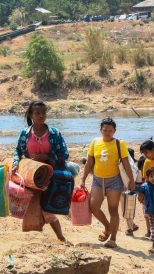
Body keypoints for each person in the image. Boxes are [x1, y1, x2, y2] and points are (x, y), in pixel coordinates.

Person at [12, 100, 69, 242]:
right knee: (31, 206)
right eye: (37, 113)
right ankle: (34, 240)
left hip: (49, 176)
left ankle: (60, 237)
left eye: (43, 113)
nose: (41, 116)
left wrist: (48, 157)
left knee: (47, 207)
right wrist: (15, 163)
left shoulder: (54, 133)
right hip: (31, 177)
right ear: (31, 114)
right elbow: (18, 151)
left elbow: (64, 153)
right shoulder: (25, 133)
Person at [81, 117, 135, 248]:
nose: (107, 132)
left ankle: (113, 239)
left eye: (110, 130)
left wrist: (131, 180)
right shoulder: (95, 142)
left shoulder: (119, 143)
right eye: (105, 130)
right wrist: (83, 179)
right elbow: (89, 162)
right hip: (98, 180)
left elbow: (126, 163)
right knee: (93, 207)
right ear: (101, 130)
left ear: (114, 131)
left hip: (114, 181)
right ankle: (107, 227)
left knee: (113, 210)